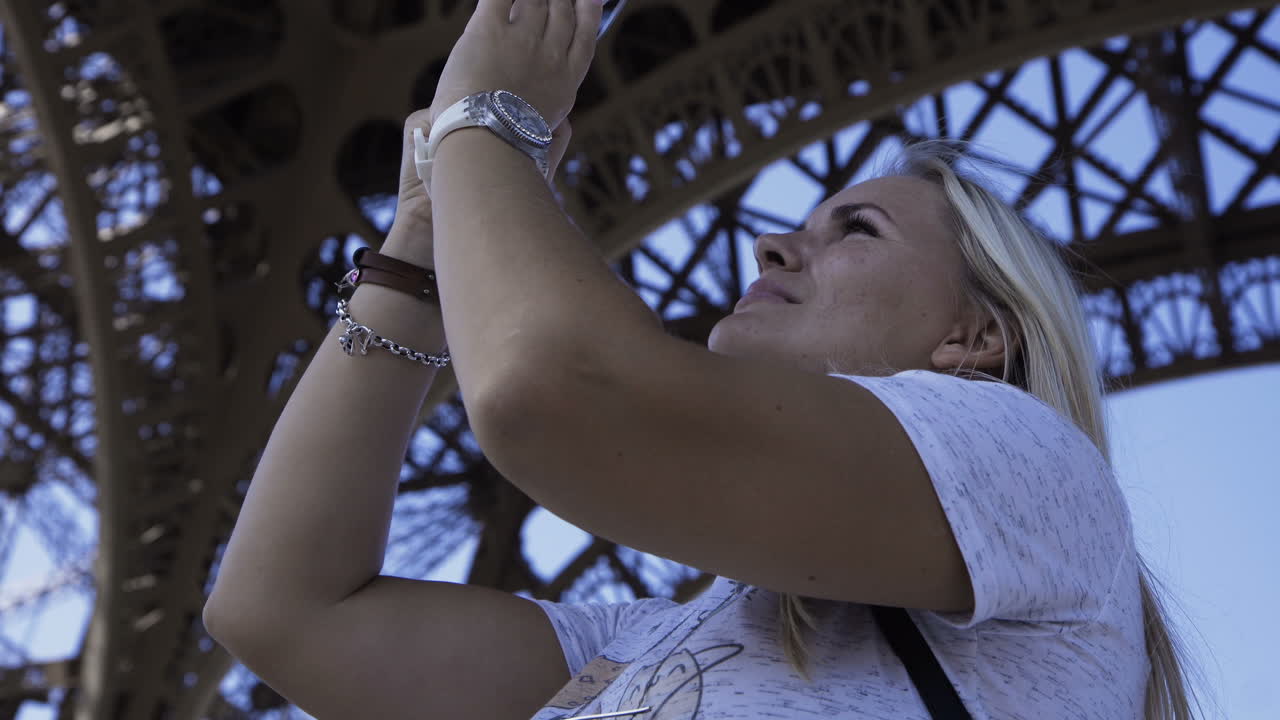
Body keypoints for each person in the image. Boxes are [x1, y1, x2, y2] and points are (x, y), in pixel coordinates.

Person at [202, 0, 1200, 718]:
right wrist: (419, 240)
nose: (771, 245)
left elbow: (553, 392)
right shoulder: (638, 648)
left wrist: (484, 121)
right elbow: (282, 610)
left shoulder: (1033, 474)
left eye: (854, 230)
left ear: (974, 336)